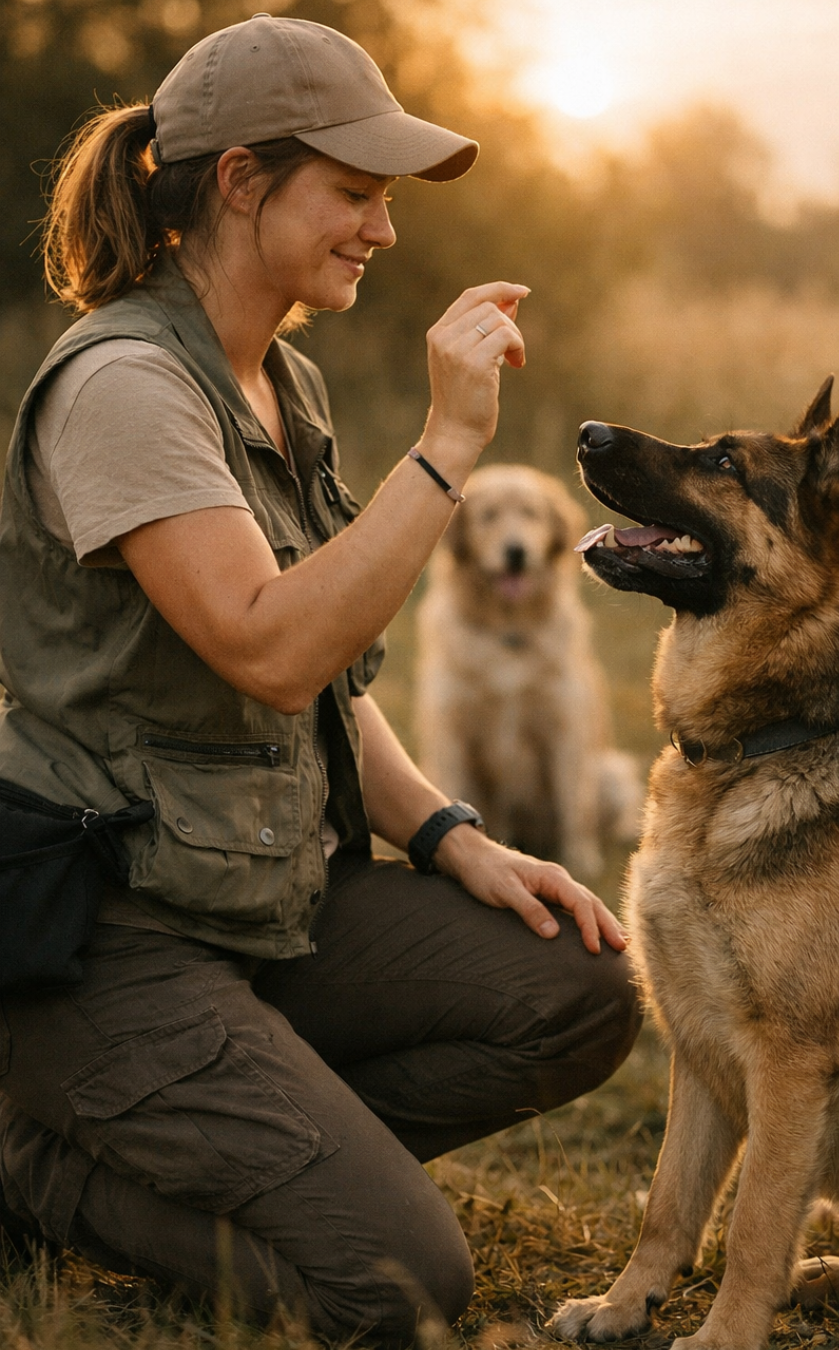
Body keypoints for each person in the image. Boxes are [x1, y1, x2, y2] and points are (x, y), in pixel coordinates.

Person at [0, 15, 641, 1342]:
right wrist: (449, 446)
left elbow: (336, 682)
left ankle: (224, 1138)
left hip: (261, 905)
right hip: (110, 938)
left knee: (578, 987)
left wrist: (454, 837)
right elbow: (270, 642)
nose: (383, 231)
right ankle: (43, 1161)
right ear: (240, 181)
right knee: (399, 1285)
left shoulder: (281, 376)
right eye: (353, 193)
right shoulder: (127, 384)